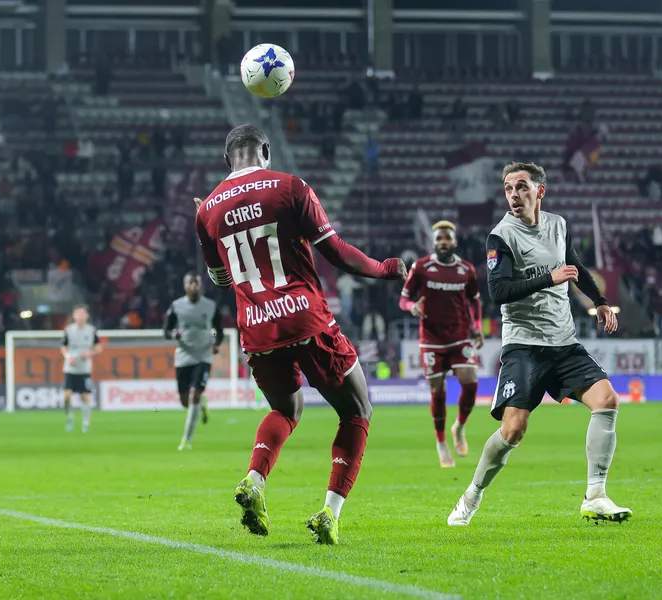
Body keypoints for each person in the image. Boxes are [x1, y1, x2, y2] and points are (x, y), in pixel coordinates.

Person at [194, 124, 406, 544]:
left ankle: (254, 479)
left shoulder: (207, 211)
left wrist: (212, 225)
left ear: (226, 158)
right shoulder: (290, 187)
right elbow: (336, 251)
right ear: (265, 150)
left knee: (286, 409)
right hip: (305, 318)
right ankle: (330, 512)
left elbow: (220, 280)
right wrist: (384, 269)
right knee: (357, 410)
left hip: (257, 329)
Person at [447, 161, 631, 527]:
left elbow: (574, 266)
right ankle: (471, 496)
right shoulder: (501, 236)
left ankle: (595, 495)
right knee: (513, 429)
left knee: (607, 400)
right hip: (523, 345)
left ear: (539, 191)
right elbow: (499, 291)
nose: (513, 195)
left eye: (521, 187)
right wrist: (549, 278)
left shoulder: (558, 225)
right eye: (508, 188)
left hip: (563, 342)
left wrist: (599, 301)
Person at [399, 220, 483, 468]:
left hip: (459, 337)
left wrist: (478, 327)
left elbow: (474, 301)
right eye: (439, 239)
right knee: (438, 391)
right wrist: (412, 307)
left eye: (447, 238)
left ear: (454, 241)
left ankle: (459, 426)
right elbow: (403, 299)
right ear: (433, 242)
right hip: (431, 340)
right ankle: (441, 442)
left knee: (471, 383)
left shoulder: (466, 269)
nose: (443, 242)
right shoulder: (421, 267)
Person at [163, 273, 223, 451]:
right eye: (191, 283)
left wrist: (216, 344)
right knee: (185, 401)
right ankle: (201, 405)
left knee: (194, 394)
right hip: (184, 355)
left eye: (197, 283)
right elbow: (166, 330)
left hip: (203, 355)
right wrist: (173, 334)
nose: (194, 286)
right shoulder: (176, 306)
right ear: (185, 286)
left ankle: (186, 440)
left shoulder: (210, 306)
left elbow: (219, 330)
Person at [61, 305, 103, 433]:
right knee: (67, 396)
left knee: (85, 396)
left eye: (83, 314)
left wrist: (90, 353)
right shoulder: (68, 330)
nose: (80, 316)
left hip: (85, 370)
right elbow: (63, 347)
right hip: (70, 369)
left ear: (87, 316)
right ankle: (69, 417)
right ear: (74, 316)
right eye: (78, 314)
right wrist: (68, 357)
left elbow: (99, 347)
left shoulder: (91, 330)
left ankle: (86, 422)